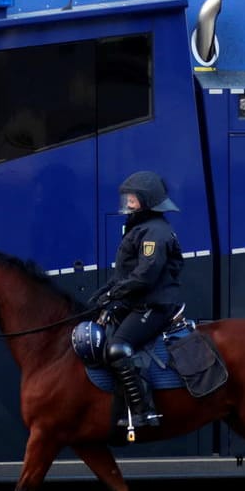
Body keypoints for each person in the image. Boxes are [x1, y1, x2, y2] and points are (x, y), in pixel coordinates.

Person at [92, 171, 185, 434]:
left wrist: (115, 294)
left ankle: (144, 411)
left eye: (132, 199)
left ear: (147, 200)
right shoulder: (140, 227)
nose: (128, 203)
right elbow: (125, 272)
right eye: (128, 198)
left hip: (154, 306)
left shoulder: (155, 232)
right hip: (139, 302)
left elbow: (145, 275)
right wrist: (104, 293)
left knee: (118, 348)